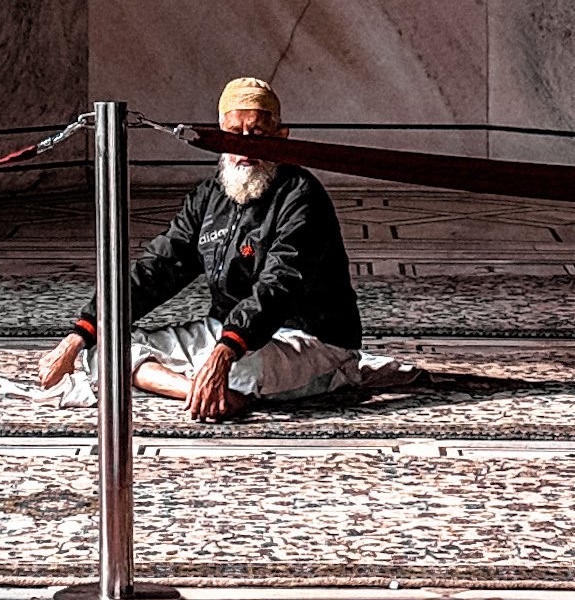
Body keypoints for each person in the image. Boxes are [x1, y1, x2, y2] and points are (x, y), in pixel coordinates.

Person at [36, 77, 368, 422]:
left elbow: (279, 285)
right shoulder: (209, 196)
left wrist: (224, 353)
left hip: (310, 339)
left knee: (245, 369)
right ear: (218, 137)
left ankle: (216, 382)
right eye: (233, 135)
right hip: (225, 332)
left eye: (256, 135)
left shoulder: (301, 196)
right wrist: (78, 335)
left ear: (280, 138)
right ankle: (197, 390)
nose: (245, 148)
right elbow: (156, 268)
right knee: (107, 349)